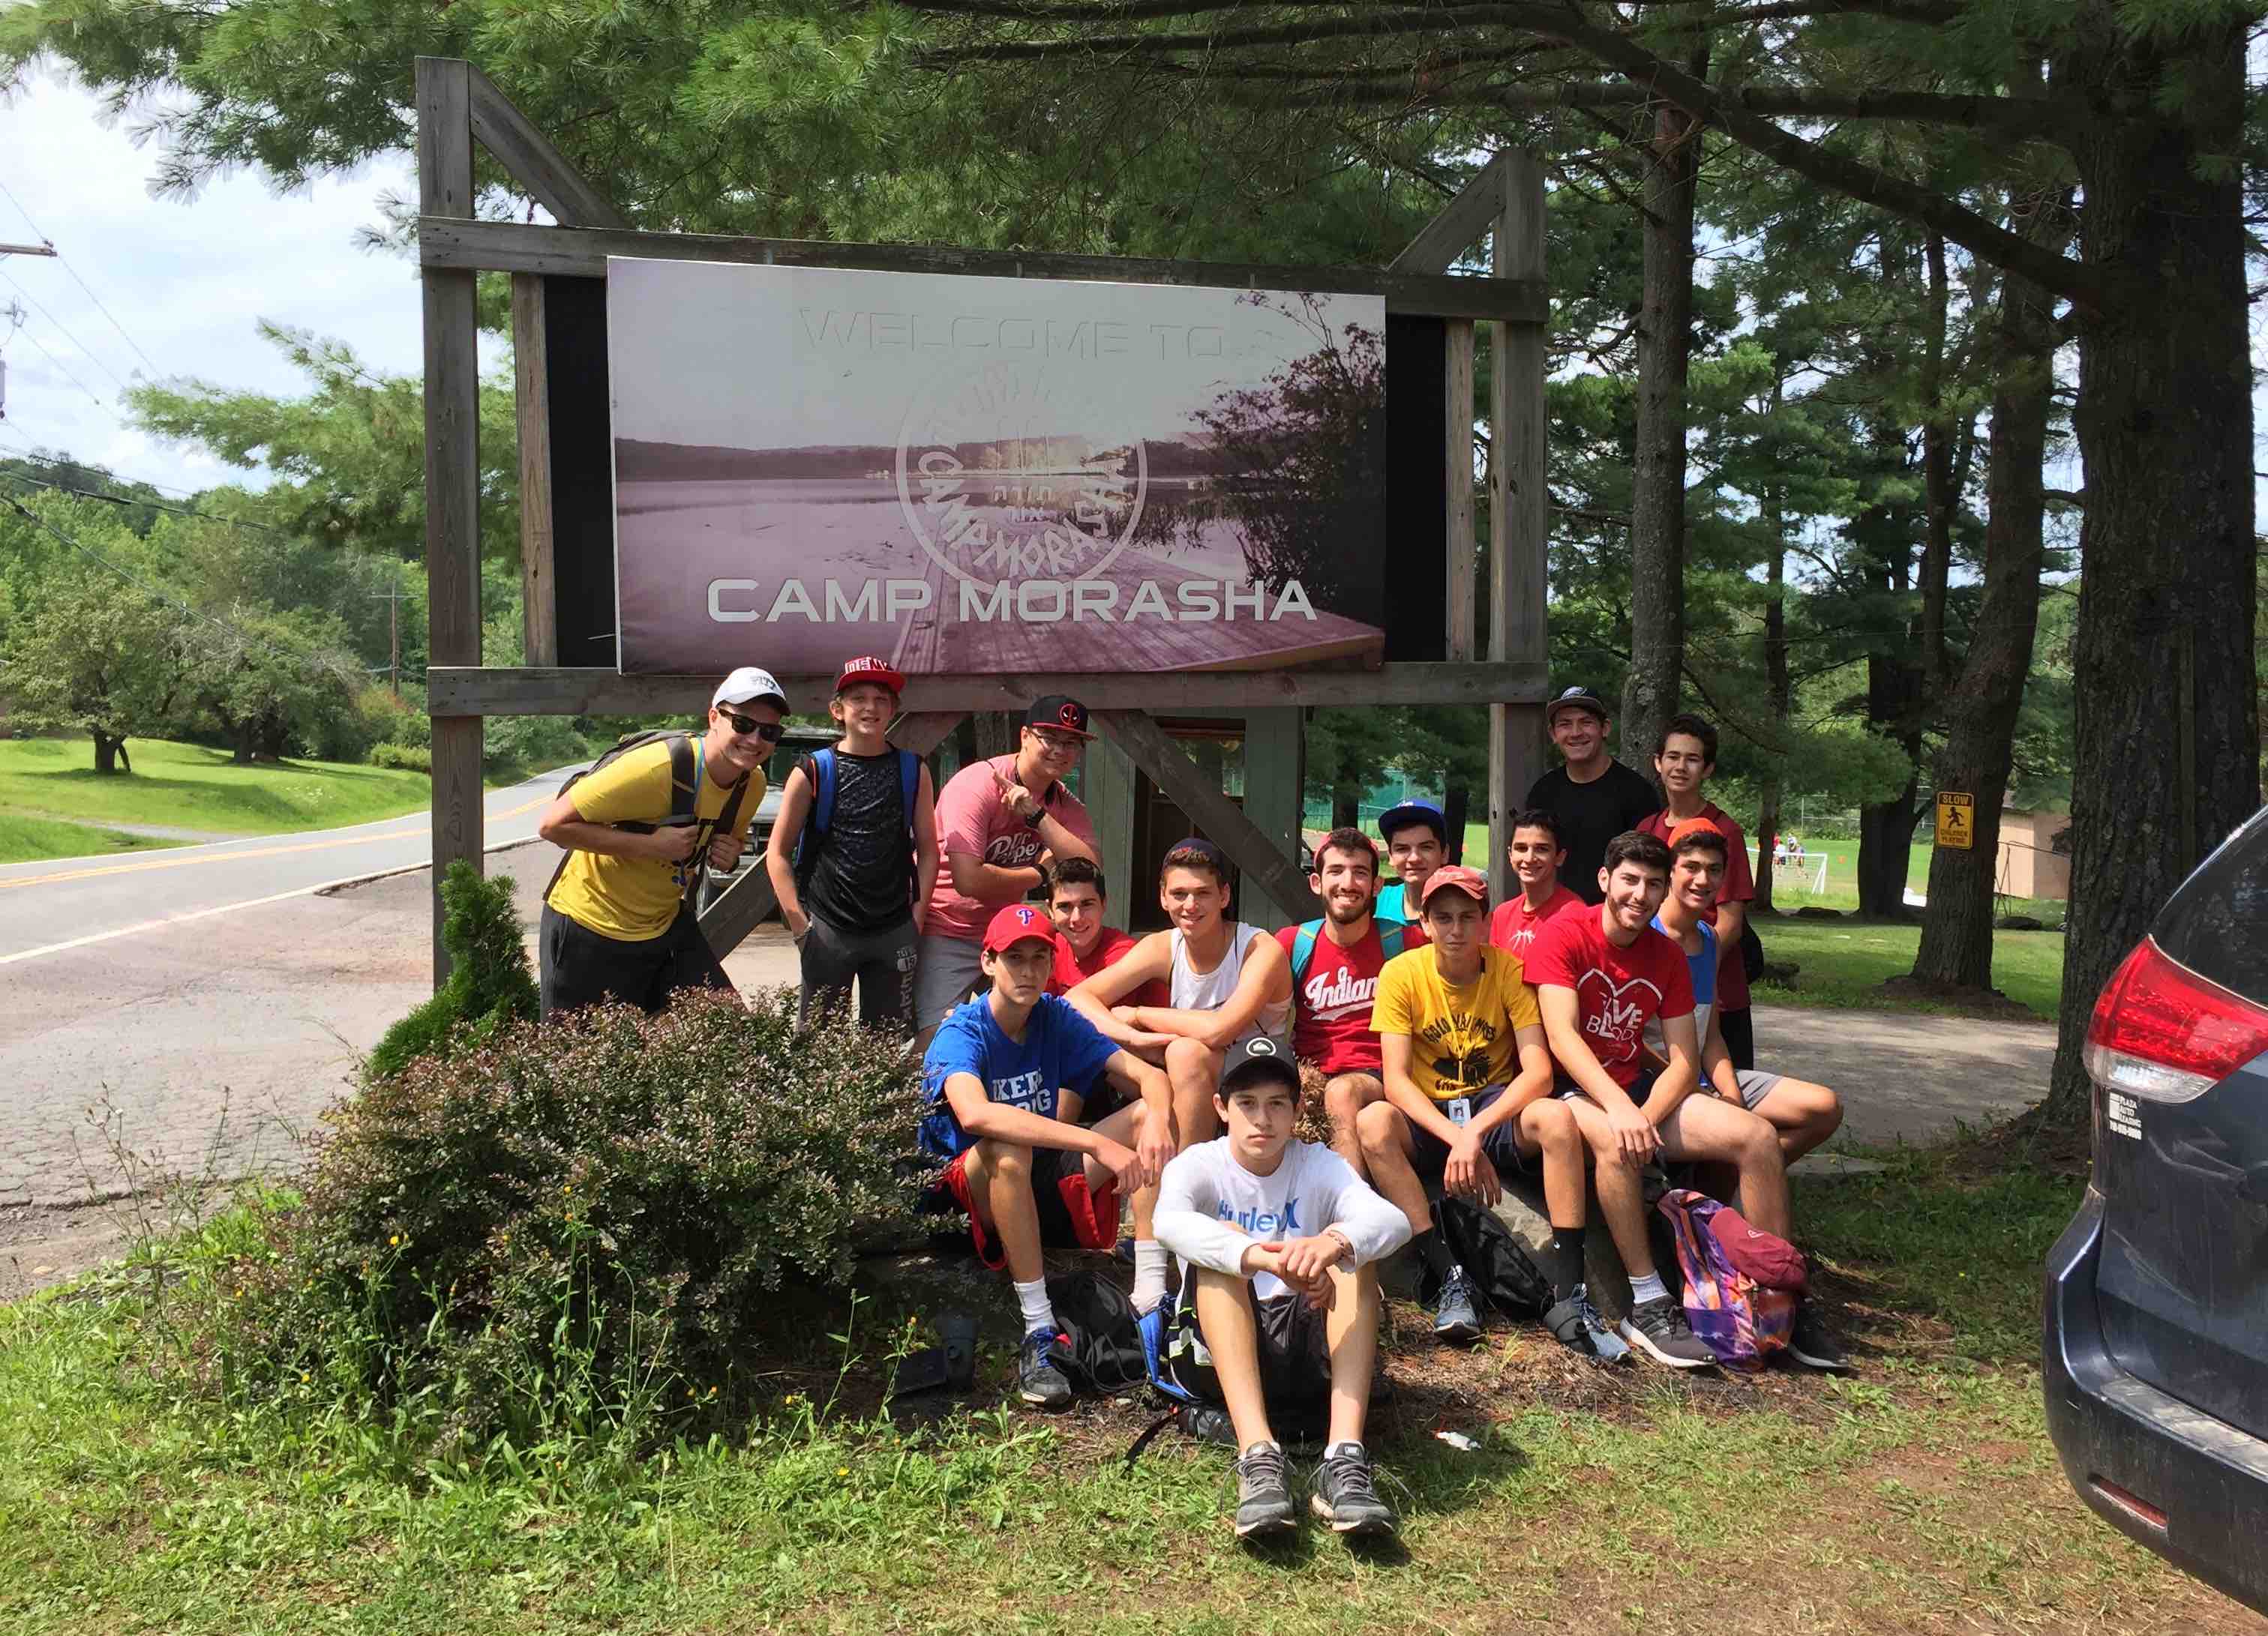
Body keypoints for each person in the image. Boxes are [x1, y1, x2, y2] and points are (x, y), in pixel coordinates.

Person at [1526, 831, 1802, 1369]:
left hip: (1636, 1095)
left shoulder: (1668, 955)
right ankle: (1647, 1302)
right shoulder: (1564, 934)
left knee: (1757, 1135)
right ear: (1605, 880)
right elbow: (1562, 1038)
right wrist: (1625, 1115)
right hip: (1567, 1091)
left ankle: (1779, 1297)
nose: (1640, 894)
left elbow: (1682, 1060)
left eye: (1653, 884)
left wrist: (1645, 1116)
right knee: (1615, 1140)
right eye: (1629, 880)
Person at [918, 903, 1176, 1409]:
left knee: (1147, 1115)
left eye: (1040, 958)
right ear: (988, 962)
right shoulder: (962, 1031)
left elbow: (1152, 1077)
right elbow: (974, 1116)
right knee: (1007, 1141)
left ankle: (1149, 1298)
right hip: (964, 1201)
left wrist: (1161, 1124)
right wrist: (1095, 1141)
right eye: (1016, 958)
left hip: (1032, 1177)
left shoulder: (1055, 1016)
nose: (1030, 971)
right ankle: (1039, 1329)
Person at [1154, 1036, 1412, 1539]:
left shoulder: (1318, 1163)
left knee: (1352, 1253)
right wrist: (1259, 1255)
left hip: (1305, 1345)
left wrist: (1330, 1244)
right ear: (1221, 1108)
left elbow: (1391, 1220)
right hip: (1216, 1356)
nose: (1262, 1120)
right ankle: (1259, 1458)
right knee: (1221, 1250)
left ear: (1295, 1113)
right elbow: (1168, 1222)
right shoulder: (1198, 1164)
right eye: (1246, 1104)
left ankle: (1343, 1460)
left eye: (1277, 1105)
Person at [1354, 864, 1617, 1354]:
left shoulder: (1510, 971)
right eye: (1444, 918)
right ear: (1426, 924)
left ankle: (1569, 1289)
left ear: (1485, 923)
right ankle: (1450, 1272)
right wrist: (1457, 1139)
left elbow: (1537, 1071)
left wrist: (1474, 1132)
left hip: (1490, 1105)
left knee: (1557, 1118)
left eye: (1467, 918)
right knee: (1372, 1123)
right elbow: (1395, 1080)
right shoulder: (1401, 974)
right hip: (1430, 1112)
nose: (1456, 930)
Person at [1649, 819, 1849, 1370]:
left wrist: (1731, 1094)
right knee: (1757, 1138)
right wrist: (1705, 1092)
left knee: (1821, 1107)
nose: (1702, 879)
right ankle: (1782, 1297)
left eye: (1714, 871)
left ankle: (1738, 1210)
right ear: (1669, 872)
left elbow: (1710, 1031)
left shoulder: (1709, 937)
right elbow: (1640, 1044)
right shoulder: (1647, 934)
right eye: (1690, 867)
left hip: (1709, 1074)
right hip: (1663, 1082)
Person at [1066, 837, 1293, 1311]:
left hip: (1256, 1072)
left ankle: (1172, 1224)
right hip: (1189, 1085)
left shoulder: (1258, 948)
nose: (1191, 906)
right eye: (1180, 895)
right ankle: (1154, 1271)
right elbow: (1076, 1000)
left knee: (1185, 1057)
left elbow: (1221, 1028)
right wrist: (1122, 1027)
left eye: (1203, 894)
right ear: (1163, 898)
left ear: (1224, 896)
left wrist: (1141, 1016)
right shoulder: (1162, 946)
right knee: (1156, 1110)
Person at [535, 667, 783, 1017]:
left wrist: (726, 856)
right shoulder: (658, 768)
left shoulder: (751, 785)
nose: (755, 740)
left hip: (662, 927)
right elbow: (551, 826)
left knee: (727, 1029)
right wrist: (652, 846)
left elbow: (723, 846)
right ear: (714, 718)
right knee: (576, 1057)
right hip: (588, 923)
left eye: (769, 731)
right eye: (743, 724)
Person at [764, 655, 938, 1032]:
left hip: (894, 929)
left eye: (881, 698)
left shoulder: (914, 769)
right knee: (818, 1048)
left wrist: (917, 918)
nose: (870, 707)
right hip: (828, 928)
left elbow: (928, 849)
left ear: (893, 709)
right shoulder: (812, 770)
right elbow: (776, 854)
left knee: (888, 1048)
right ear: (837, 710)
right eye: (858, 697)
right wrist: (800, 926)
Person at [914, 697, 1100, 1046]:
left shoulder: (1062, 802)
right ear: (1025, 736)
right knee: (936, 1039)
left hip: (1008, 932)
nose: (1061, 750)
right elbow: (968, 880)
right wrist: (1039, 874)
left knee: (1024, 1033)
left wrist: (1037, 816)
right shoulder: (977, 785)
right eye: (1050, 738)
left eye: (1071, 742)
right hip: (946, 927)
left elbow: (1090, 870)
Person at [1274, 828, 1421, 1173]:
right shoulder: (1294, 942)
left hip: (1378, 1074)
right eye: (1336, 871)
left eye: (1360, 872)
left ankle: (1351, 1209)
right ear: (1316, 882)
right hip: (1312, 1073)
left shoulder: (1406, 941)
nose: (1348, 882)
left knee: (1341, 1093)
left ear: (1376, 886)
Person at [1639, 713, 1760, 1070]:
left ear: (1707, 769)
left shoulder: (1725, 832)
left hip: (1716, 994)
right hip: (1655, 986)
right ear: (1658, 763)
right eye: (1673, 757)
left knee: (1729, 1099)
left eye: (1692, 759)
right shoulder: (1648, 828)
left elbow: (1730, 924)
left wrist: (1694, 969)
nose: (1680, 767)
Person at [1524, 686, 1660, 905]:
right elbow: (1530, 863)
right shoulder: (1543, 793)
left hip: (1616, 921)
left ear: (1605, 728)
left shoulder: (1637, 793)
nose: (1576, 732)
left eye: (1586, 722)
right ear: (1553, 734)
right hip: (1554, 919)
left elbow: (1650, 867)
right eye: (1565, 724)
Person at [1041, 858, 1166, 1006]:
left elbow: (1097, 1024)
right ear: (1050, 910)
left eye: (1087, 904)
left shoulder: (1124, 953)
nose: (1077, 918)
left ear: (1104, 904)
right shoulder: (1052, 946)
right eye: (1065, 906)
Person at [1487, 808, 1587, 955]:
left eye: (1541, 849)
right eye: (1521, 848)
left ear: (1560, 857)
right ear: (1510, 855)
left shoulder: (1576, 914)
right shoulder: (1502, 914)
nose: (1529, 858)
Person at [1368, 799, 1448, 927]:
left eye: (1426, 847)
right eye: (1402, 849)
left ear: (1445, 854)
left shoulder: (1463, 909)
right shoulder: (1375, 901)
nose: (1414, 858)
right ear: (1391, 856)